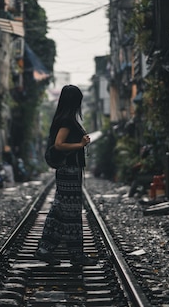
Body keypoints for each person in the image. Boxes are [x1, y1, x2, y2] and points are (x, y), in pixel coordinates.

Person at [34, 85, 97, 266]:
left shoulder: (64, 118)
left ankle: (49, 249)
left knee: (63, 211)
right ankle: (72, 253)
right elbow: (59, 145)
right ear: (74, 101)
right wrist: (80, 144)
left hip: (68, 171)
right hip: (69, 171)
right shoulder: (67, 121)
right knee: (69, 212)